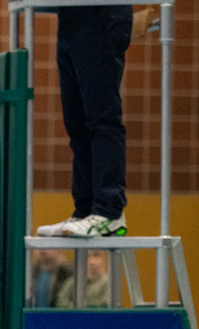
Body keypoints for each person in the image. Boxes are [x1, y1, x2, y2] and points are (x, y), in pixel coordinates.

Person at [36, 6, 133, 238]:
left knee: (101, 120)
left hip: (99, 16)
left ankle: (108, 211)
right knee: (76, 125)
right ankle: (85, 210)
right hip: (70, 16)